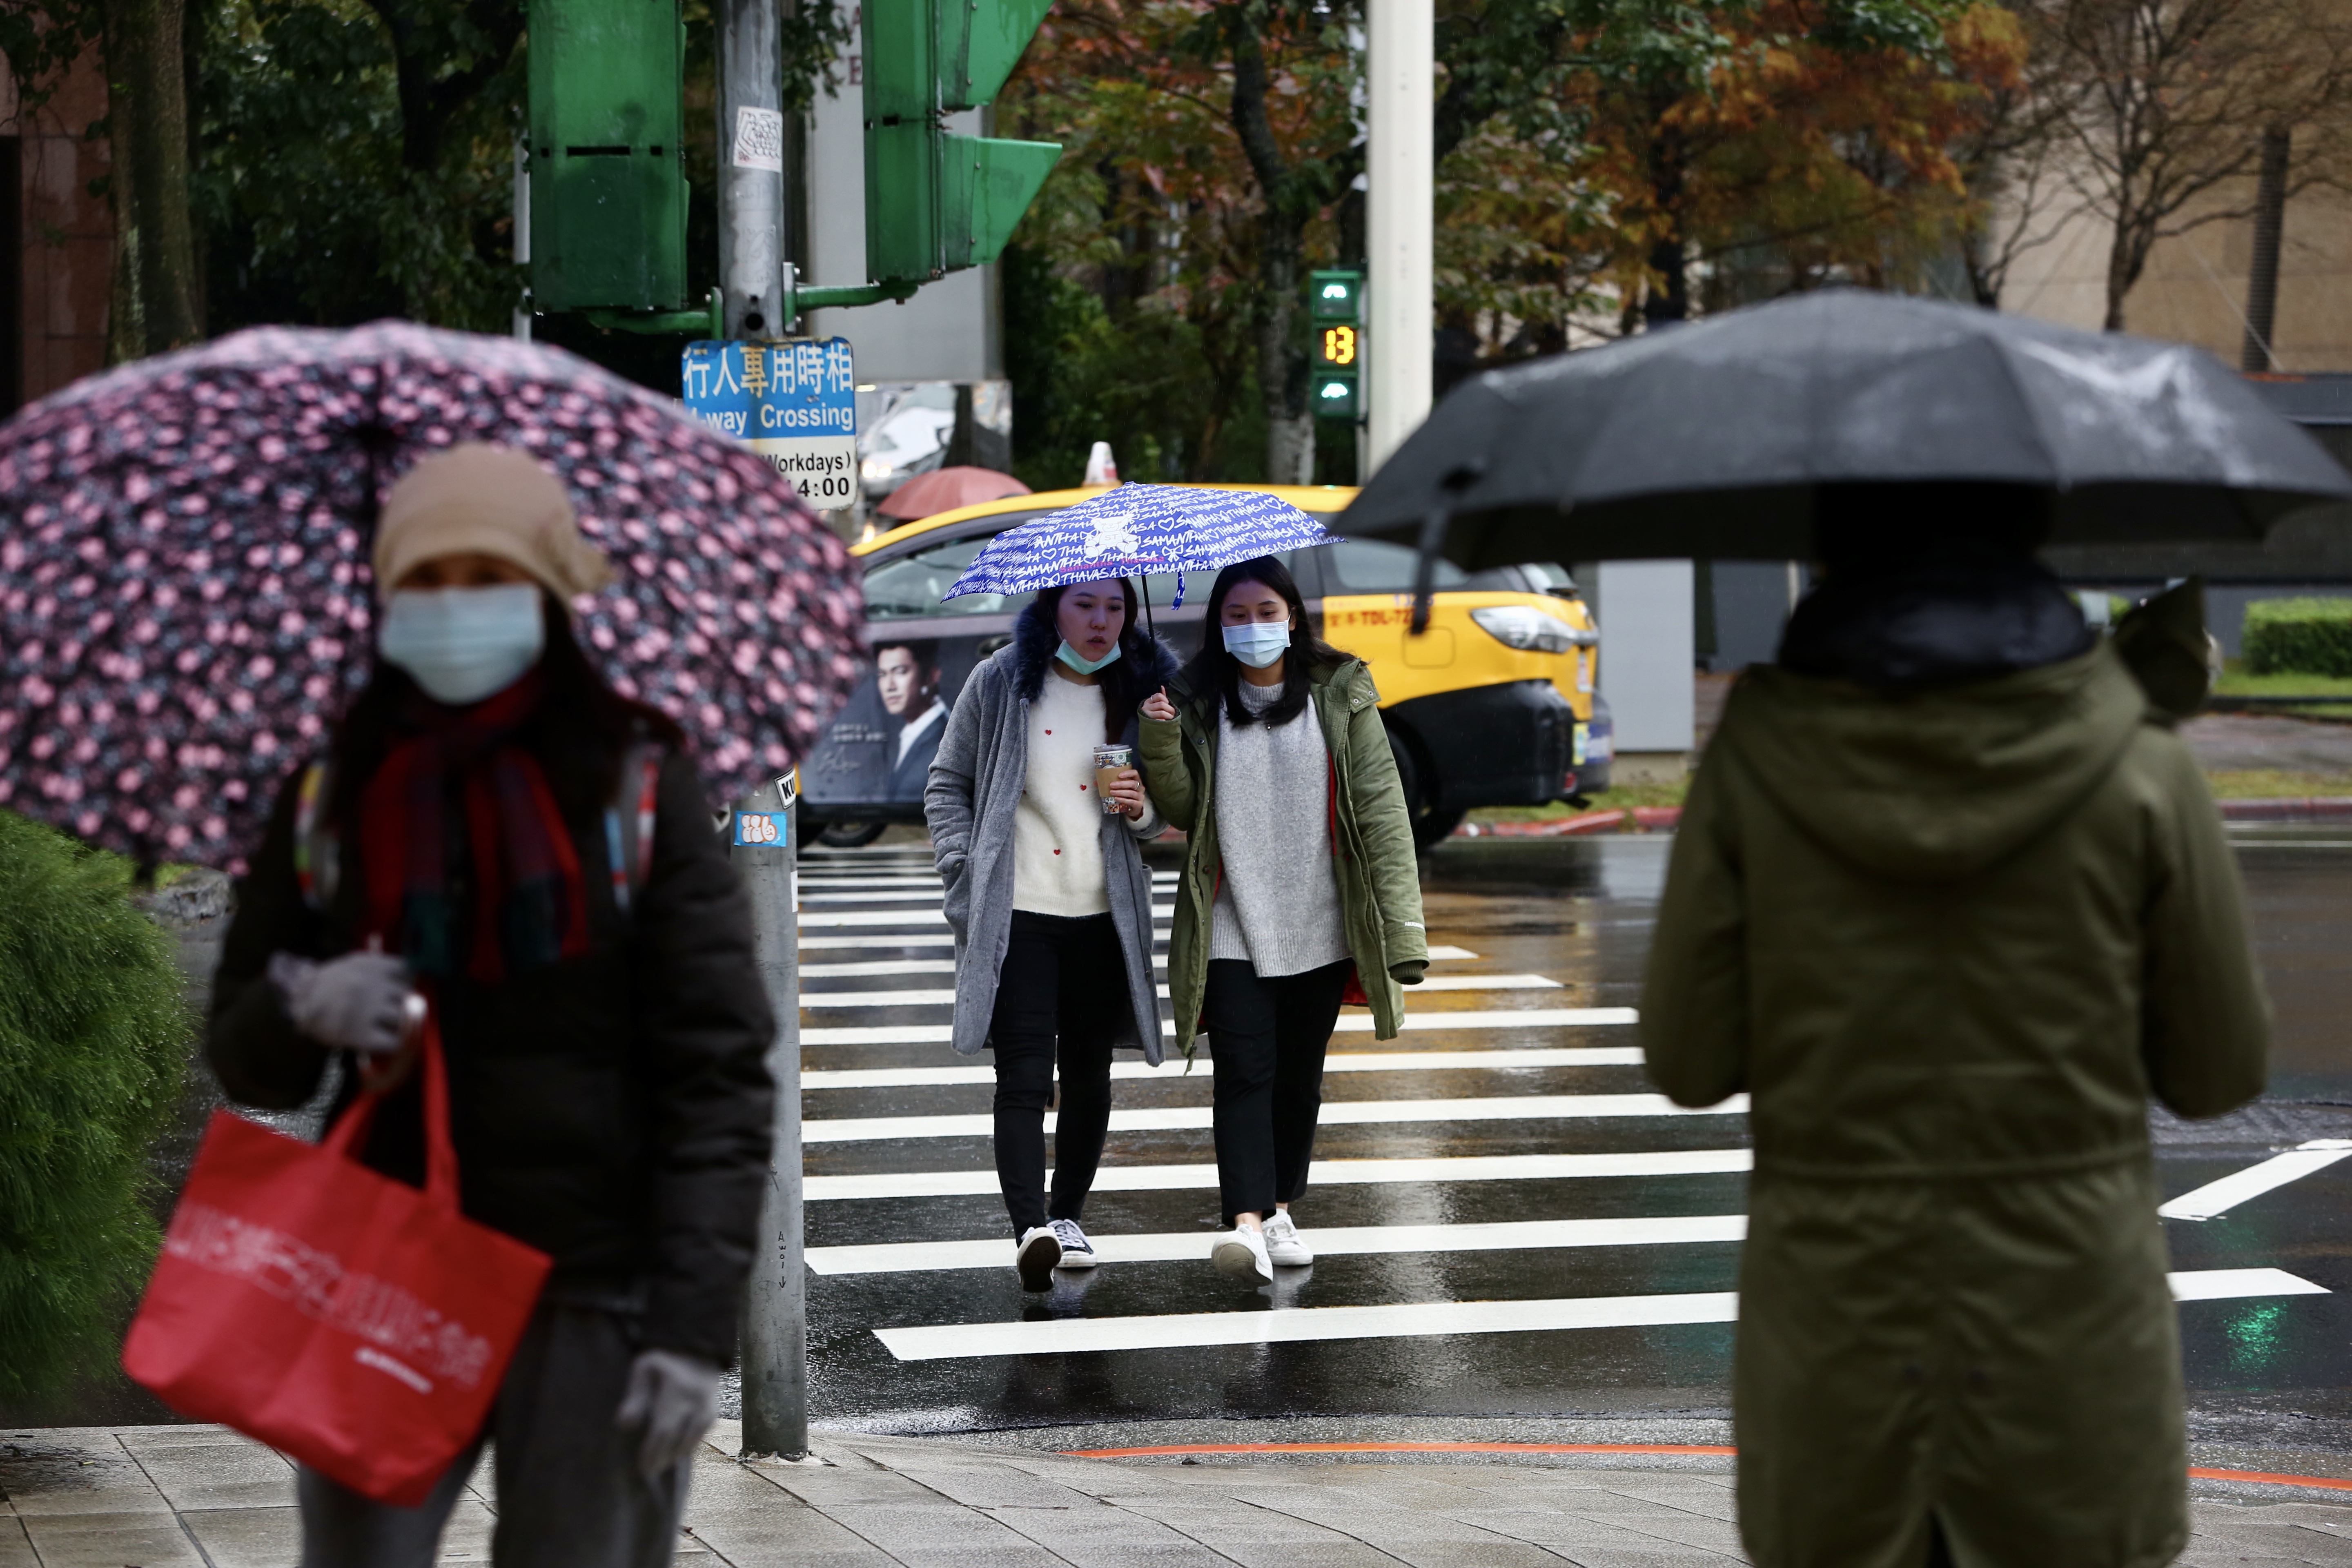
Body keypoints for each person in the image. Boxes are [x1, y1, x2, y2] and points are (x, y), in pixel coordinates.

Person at [1639, 485, 2269, 1568]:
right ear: (2030, 540)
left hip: (1838, 1325)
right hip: (2068, 1330)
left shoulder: (1758, 756)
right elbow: (2217, 1072)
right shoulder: (2140, 761)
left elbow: (1689, 1060)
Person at [207, 444, 775, 1568]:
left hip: (598, 1286)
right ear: (384, 601)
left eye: (488, 577)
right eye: (426, 580)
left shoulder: (637, 780)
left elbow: (718, 1071)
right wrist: (304, 1005)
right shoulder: (336, 784)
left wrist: (688, 1333)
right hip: (386, 1266)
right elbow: (246, 1053)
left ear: (553, 599)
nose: (454, 606)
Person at [1139, 556, 1429, 1283]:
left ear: (1293, 616)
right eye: (1236, 616)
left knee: (1298, 1079)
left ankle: (1278, 1208)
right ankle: (1243, 1222)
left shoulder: (1341, 692)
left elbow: (1383, 812)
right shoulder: (1195, 700)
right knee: (1244, 1068)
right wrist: (1159, 738)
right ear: (1218, 626)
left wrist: (1402, 933)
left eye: (1266, 612)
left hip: (1323, 920)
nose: (1253, 627)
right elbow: (1178, 811)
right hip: (1234, 918)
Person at [924, 577, 1178, 1288]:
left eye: (1116, 608)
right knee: (1025, 1076)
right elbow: (948, 782)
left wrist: (1140, 809)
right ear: (1052, 608)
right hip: (1019, 911)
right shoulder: (1001, 680)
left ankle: (1067, 1214)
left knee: (1090, 1077)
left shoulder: (1142, 693)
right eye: (1085, 605)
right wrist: (961, 864)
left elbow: (1172, 807)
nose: (1102, 621)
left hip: (1102, 914)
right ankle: (1029, 1226)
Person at [875, 638, 947, 801]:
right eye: (882, 674)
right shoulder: (903, 735)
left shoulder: (943, 737)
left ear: (930, 676)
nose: (890, 686)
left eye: (900, 672)